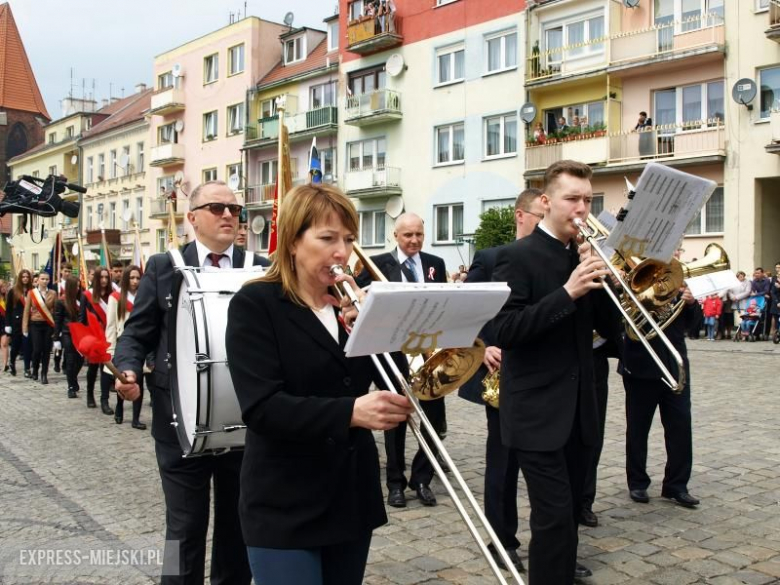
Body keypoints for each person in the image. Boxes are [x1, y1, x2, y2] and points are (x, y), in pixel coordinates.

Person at [225, 183, 412, 585]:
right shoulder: (255, 305)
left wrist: (375, 324)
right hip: (285, 500)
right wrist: (351, 411)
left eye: (348, 239)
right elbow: (262, 407)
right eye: (327, 238)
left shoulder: (351, 305)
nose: (342, 252)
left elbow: (397, 380)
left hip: (349, 495)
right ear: (293, 242)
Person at [114, 180, 269, 585]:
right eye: (217, 208)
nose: (227, 216)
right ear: (193, 217)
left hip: (245, 421)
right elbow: (136, 333)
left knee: (238, 529)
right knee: (182, 530)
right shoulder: (164, 267)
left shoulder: (259, 267)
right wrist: (128, 369)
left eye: (234, 209)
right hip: (178, 419)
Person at [492, 160, 621, 584]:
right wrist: (568, 292)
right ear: (546, 202)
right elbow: (505, 330)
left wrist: (607, 282)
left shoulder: (585, 256)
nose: (582, 208)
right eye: (572, 199)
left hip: (579, 408)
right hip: (536, 412)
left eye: (587, 199)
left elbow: (611, 332)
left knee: (567, 517)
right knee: (551, 517)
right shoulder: (516, 257)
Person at [458, 188, 544, 573]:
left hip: (548, 374)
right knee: (503, 464)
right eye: (540, 217)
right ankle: (502, 539)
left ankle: (555, 544)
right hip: (502, 374)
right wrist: (482, 346)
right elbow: (464, 312)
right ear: (521, 215)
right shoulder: (491, 258)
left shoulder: (565, 260)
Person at [356, 212, 448, 509]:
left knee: (435, 418)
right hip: (393, 351)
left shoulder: (436, 264)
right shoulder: (376, 263)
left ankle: (421, 478)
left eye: (419, 234)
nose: (414, 240)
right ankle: (395, 483)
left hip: (427, 351)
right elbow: (357, 298)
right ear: (395, 236)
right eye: (408, 235)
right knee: (395, 420)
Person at [622, 249, 701, 510]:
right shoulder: (633, 284)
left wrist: (690, 304)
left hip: (675, 367)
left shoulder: (678, 287)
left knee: (680, 427)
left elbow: (694, 327)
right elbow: (622, 324)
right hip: (640, 367)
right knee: (637, 429)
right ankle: (637, 482)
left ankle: (677, 485)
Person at [105, 265, 146, 429]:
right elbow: (111, 326)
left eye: (138, 278)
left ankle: (136, 418)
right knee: (124, 380)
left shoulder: (144, 297)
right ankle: (120, 407)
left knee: (139, 383)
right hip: (123, 345)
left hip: (141, 344)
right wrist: (110, 350)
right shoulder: (116, 297)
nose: (135, 281)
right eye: (132, 278)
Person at [82, 267, 113, 414]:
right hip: (94, 337)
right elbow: (82, 320)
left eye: (107, 277)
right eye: (101, 277)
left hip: (109, 336)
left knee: (106, 369)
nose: (104, 280)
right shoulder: (87, 296)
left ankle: (104, 400)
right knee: (93, 368)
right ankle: (89, 394)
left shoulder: (112, 296)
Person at [53, 276, 86, 398]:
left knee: (81, 359)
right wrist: (56, 338)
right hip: (68, 333)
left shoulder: (82, 299)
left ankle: (73, 377)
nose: (78, 289)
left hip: (81, 334)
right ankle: (71, 387)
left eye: (79, 286)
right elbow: (58, 320)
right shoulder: (61, 301)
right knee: (71, 360)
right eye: (76, 286)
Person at [22, 271, 56, 384]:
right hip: (35, 324)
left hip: (47, 324)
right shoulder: (32, 293)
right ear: (38, 280)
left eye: (47, 279)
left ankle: (44, 374)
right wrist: (25, 328)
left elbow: (55, 311)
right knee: (37, 349)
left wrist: (56, 327)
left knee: (46, 350)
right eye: (42, 279)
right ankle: (35, 369)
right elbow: (26, 311)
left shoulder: (53, 293)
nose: (45, 281)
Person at [6, 269, 33, 377]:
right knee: (16, 346)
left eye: (27, 277)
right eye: (23, 277)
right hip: (17, 322)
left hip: (29, 322)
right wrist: (8, 324)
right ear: (20, 278)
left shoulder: (32, 290)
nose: (25, 279)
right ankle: (12, 362)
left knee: (27, 346)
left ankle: (27, 369)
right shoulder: (13, 291)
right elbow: (8, 309)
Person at [53, 263, 72, 373]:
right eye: (65, 271)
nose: (67, 273)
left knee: (67, 344)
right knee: (58, 341)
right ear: (61, 272)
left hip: (68, 317)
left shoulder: (74, 284)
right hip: (58, 315)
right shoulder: (56, 286)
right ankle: (57, 361)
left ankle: (65, 363)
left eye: (69, 271)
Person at [0, 280, 8, 371]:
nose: (4, 288)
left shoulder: (8, 298)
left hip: (5, 322)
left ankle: (5, 364)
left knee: (4, 343)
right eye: (2, 287)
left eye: (5, 286)